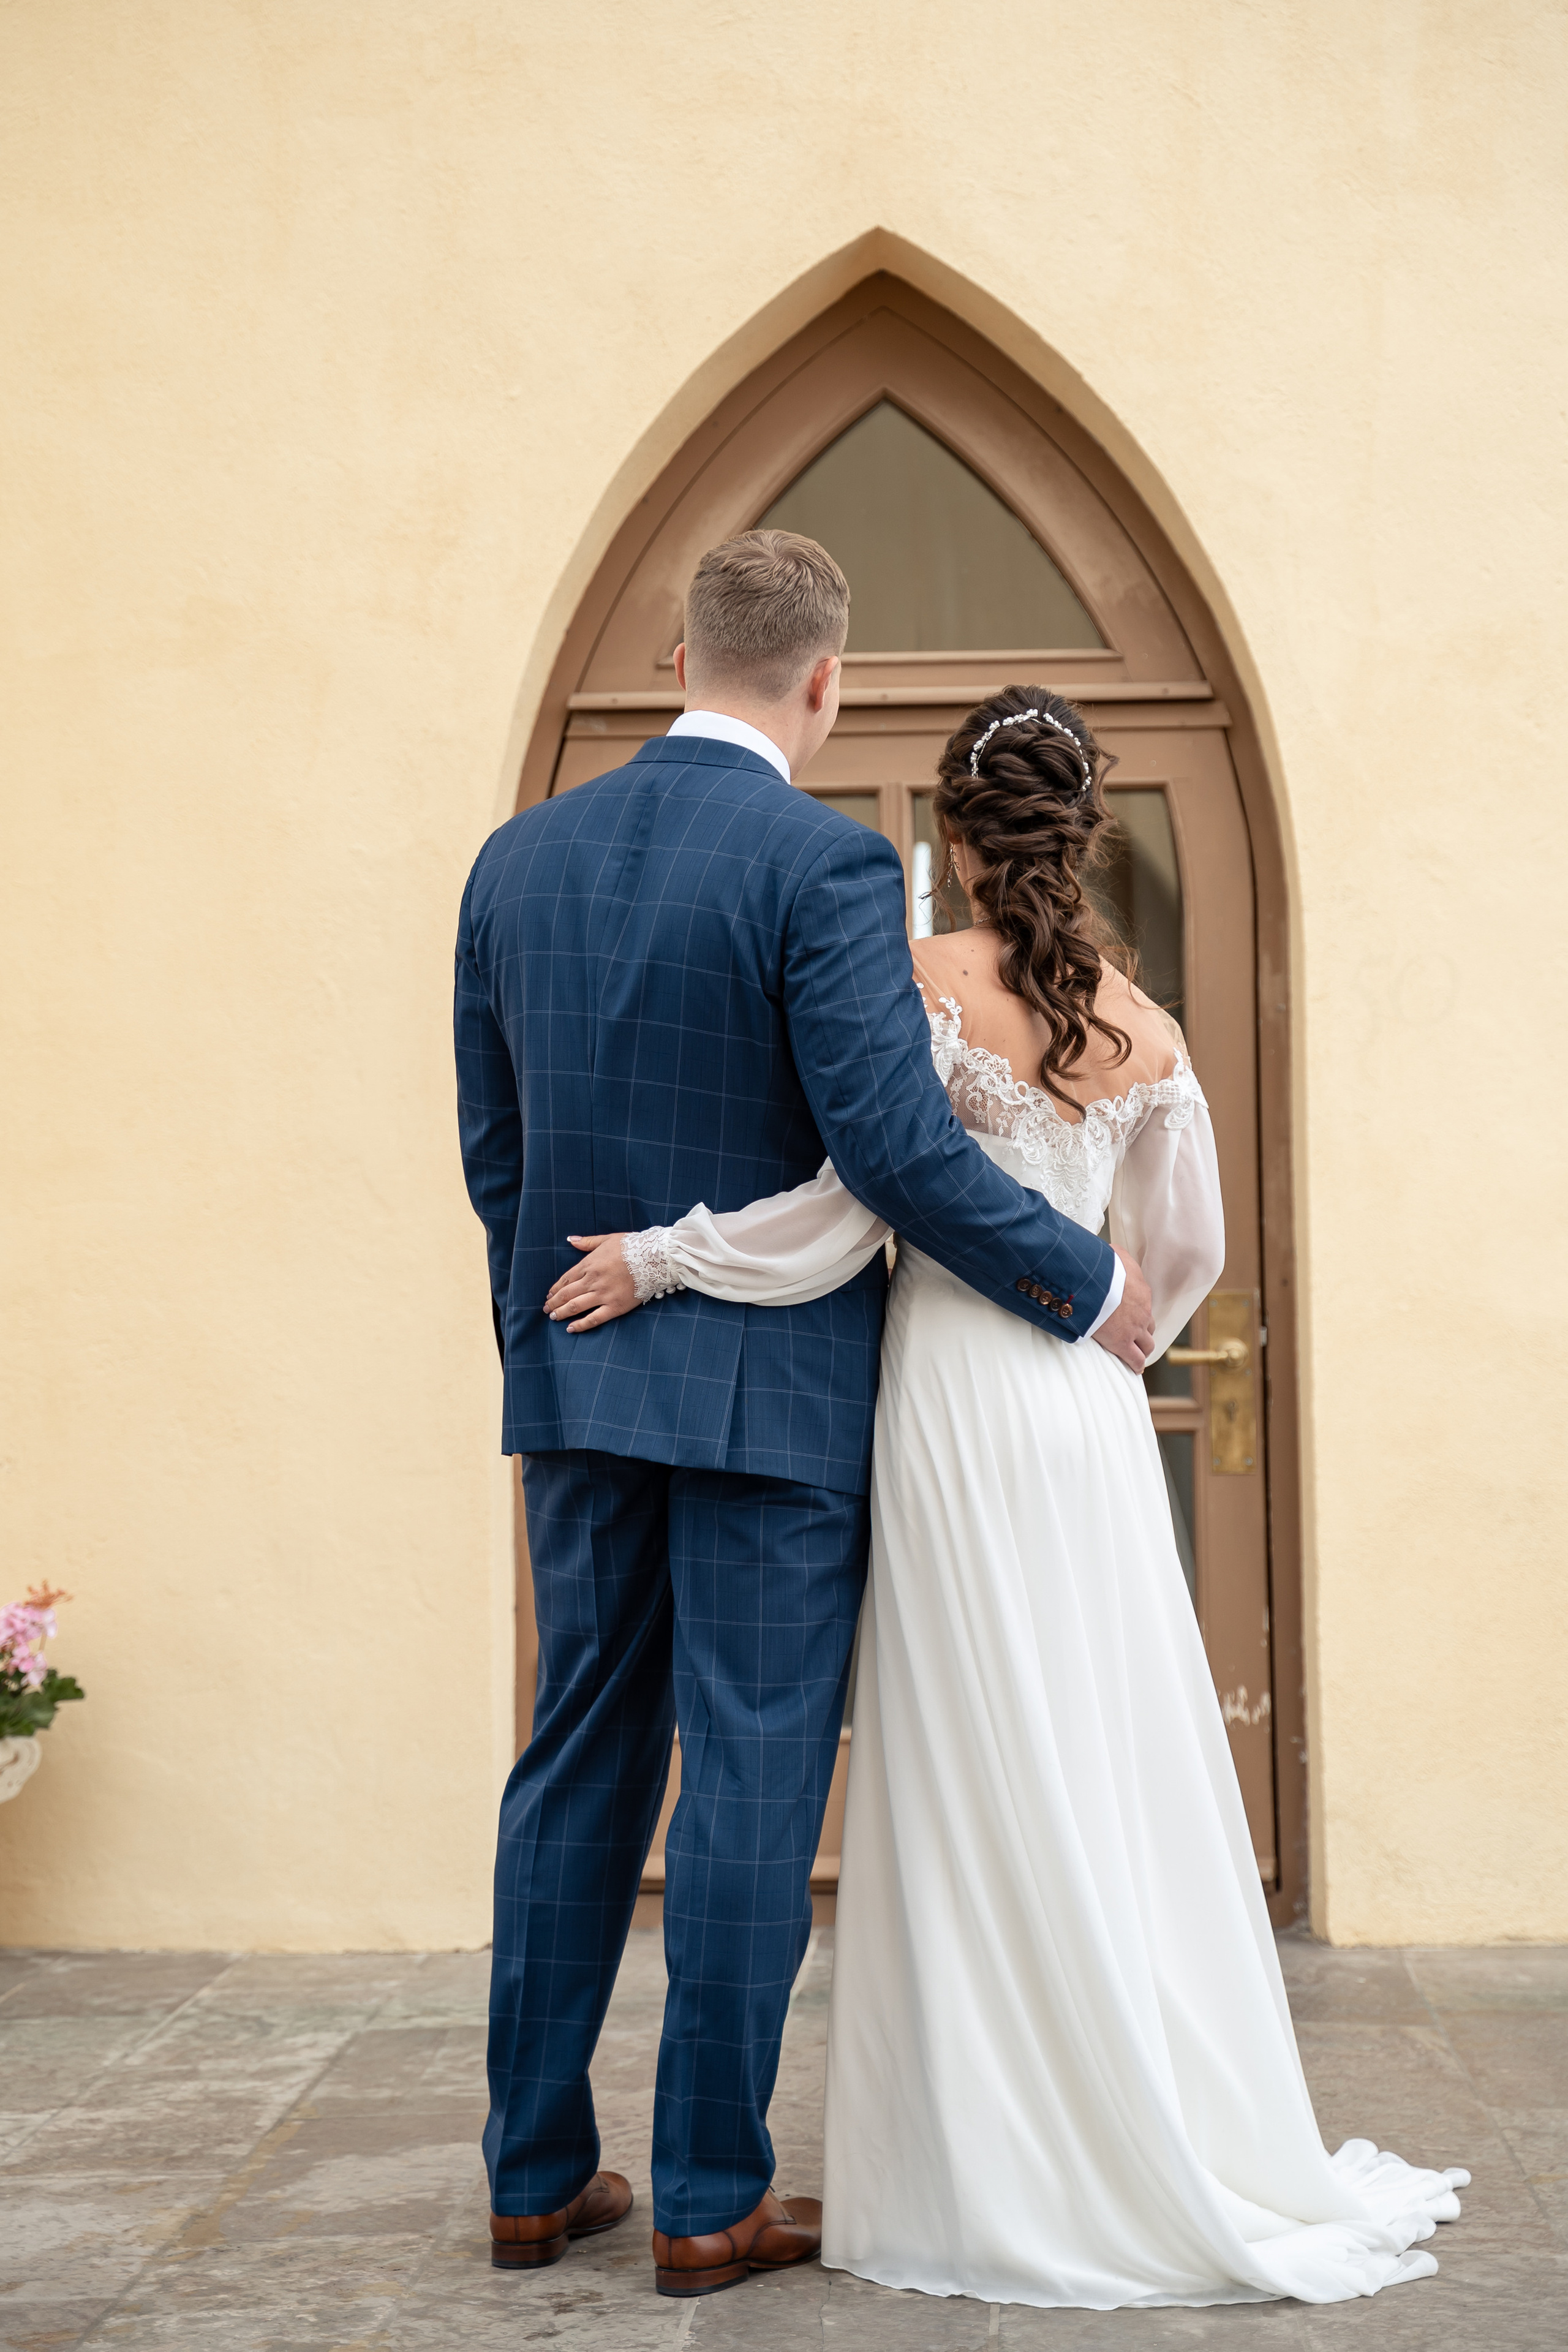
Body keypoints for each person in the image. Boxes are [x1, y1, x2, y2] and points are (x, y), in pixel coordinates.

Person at [550, 682, 1471, 2309]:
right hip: (1083, 1420)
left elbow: (852, 1213)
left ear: (960, 846)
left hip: (950, 1412)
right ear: (1078, 833)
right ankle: (1138, 2120)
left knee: (969, 1765)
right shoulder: (1152, 1030)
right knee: (1096, 1762)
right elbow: (1187, 1259)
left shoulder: (920, 989)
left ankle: (992, 2152)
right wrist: (1118, 1346)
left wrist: (665, 1253)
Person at [455, 533, 1155, 2299]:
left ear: (681, 654)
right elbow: (900, 1154)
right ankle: (706, 2202)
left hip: (580, 1371)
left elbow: (494, 1152)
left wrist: (544, 1338)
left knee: (573, 1764)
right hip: (774, 1408)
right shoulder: (825, 863)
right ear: (825, 682)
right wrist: (1079, 1286)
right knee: (753, 1780)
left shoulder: (513, 860)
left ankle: (530, 2183)